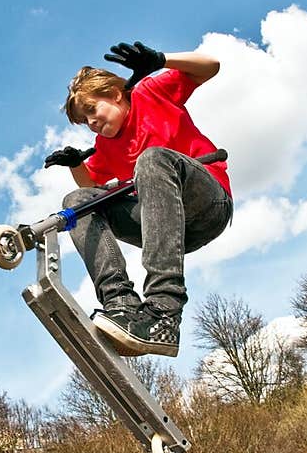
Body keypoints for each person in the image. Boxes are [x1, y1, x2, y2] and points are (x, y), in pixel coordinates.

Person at [44, 40, 232, 358]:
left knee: (152, 159)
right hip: (168, 230)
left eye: (92, 110)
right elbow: (90, 186)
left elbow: (211, 66)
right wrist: (76, 163)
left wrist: (162, 60)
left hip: (208, 205)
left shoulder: (150, 93)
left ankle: (163, 312)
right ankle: (122, 305)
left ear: (116, 94)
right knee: (77, 200)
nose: (91, 122)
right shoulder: (105, 148)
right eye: (84, 121)